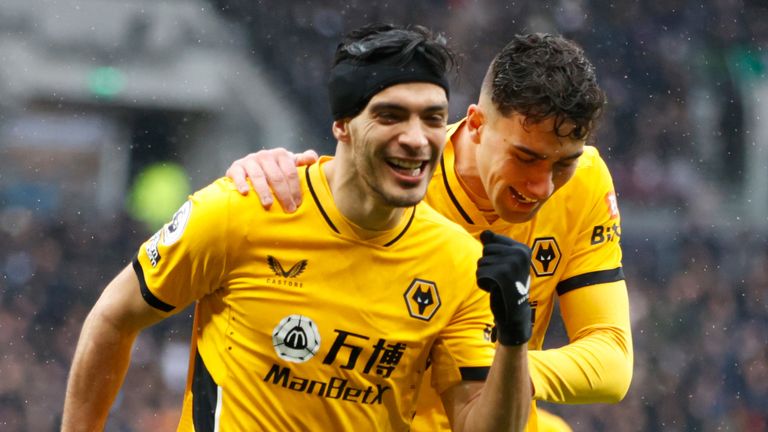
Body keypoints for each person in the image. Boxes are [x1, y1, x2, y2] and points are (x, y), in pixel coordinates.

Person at [62, 24, 534, 431]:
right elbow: (113, 318)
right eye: (390, 115)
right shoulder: (244, 209)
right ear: (343, 125)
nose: (415, 139)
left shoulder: (460, 262)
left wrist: (515, 337)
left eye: (432, 118)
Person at [226, 32, 633, 432]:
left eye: (562, 164)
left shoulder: (586, 180)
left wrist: (507, 368)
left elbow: (613, 361)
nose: (542, 186)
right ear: (475, 124)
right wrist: (258, 179)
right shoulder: (401, 182)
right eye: (525, 158)